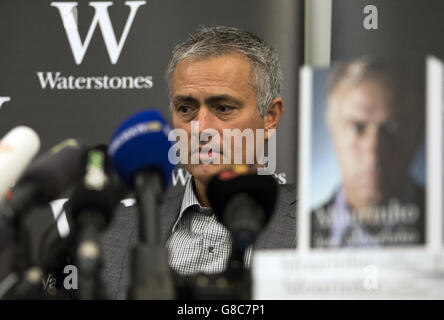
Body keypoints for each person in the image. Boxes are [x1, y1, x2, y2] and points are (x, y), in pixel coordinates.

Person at [100, 26, 296, 299]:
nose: (199, 127)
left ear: (270, 117)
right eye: (185, 109)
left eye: (223, 108)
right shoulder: (110, 233)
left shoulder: (320, 227)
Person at [311, 57, 426, 249]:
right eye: (357, 127)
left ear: (417, 132)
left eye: (392, 127)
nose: (374, 149)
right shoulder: (293, 230)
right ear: (332, 130)